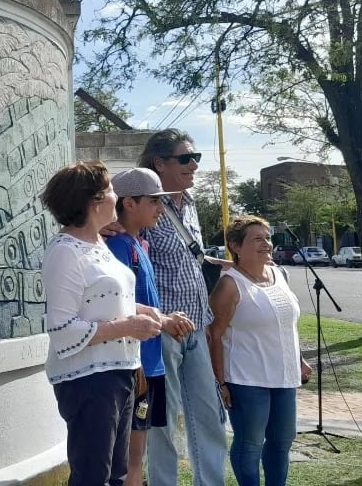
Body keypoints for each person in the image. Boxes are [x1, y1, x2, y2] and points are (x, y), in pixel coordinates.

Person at [40, 161, 163, 486]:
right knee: (93, 476)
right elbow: (62, 329)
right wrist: (127, 327)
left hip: (119, 372)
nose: (116, 195)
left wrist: (141, 312)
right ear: (93, 202)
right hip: (89, 382)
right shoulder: (66, 252)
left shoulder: (99, 245)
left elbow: (102, 302)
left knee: (115, 476)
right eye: (110, 190)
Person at [137, 128, 229, 486]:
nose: (194, 165)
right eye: (185, 158)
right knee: (164, 423)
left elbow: (185, 259)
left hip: (196, 327)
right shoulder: (144, 205)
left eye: (196, 158)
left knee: (209, 417)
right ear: (159, 163)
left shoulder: (189, 204)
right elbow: (135, 265)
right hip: (166, 331)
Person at [105, 168, 195, 486]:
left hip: (150, 363)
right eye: (155, 201)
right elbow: (114, 304)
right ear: (129, 204)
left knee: (137, 452)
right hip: (134, 364)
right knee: (130, 456)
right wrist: (165, 320)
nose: (161, 208)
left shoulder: (138, 242)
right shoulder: (117, 246)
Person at [208, 216, 313, 486]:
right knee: (250, 443)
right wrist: (220, 382)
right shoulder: (229, 284)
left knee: (282, 440)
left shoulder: (280, 274)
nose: (266, 244)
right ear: (235, 246)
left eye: (267, 238)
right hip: (246, 380)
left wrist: (299, 359)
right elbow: (214, 335)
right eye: (257, 239)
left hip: (284, 377)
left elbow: (285, 323)